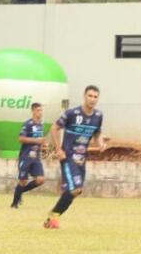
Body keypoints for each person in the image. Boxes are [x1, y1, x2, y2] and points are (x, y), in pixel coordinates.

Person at [43, 85, 106, 230]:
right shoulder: (72, 113)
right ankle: (54, 216)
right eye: (90, 96)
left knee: (75, 192)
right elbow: (54, 128)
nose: (92, 99)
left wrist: (101, 143)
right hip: (68, 157)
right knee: (75, 189)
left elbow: (97, 133)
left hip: (81, 159)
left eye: (95, 97)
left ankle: (52, 218)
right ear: (84, 96)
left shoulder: (98, 116)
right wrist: (58, 149)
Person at [11, 102, 46, 208]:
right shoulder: (27, 124)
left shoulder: (41, 124)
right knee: (23, 181)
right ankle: (14, 204)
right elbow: (20, 138)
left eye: (41, 110)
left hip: (36, 158)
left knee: (41, 180)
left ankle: (20, 192)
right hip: (26, 157)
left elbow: (39, 140)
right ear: (33, 111)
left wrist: (43, 146)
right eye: (38, 110)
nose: (41, 112)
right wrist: (36, 140)